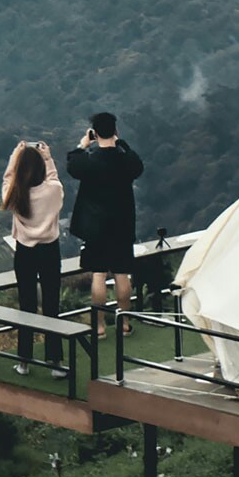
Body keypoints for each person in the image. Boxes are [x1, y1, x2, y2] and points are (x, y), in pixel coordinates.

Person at [65, 111, 144, 338]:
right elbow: (138, 166)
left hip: (96, 226)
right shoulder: (124, 160)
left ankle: (99, 327)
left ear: (94, 133)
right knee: (122, 274)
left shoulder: (90, 161)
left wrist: (82, 145)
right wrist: (122, 145)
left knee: (98, 275)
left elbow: (73, 165)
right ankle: (124, 323)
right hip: (122, 224)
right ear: (115, 131)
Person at [2, 139, 65, 377]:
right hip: (50, 250)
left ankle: (24, 362)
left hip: (25, 252)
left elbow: (7, 179)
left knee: (26, 305)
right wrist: (47, 158)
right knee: (51, 304)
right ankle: (55, 362)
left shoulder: (15, 194)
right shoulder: (53, 191)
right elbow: (54, 180)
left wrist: (14, 157)